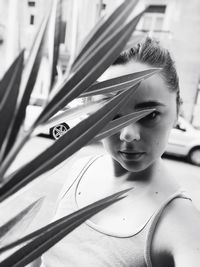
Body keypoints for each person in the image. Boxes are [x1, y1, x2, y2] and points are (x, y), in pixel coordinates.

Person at [41, 37, 200, 267]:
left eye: (149, 115)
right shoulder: (79, 170)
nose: (128, 134)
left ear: (178, 110)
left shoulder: (182, 225)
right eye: (111, 112)